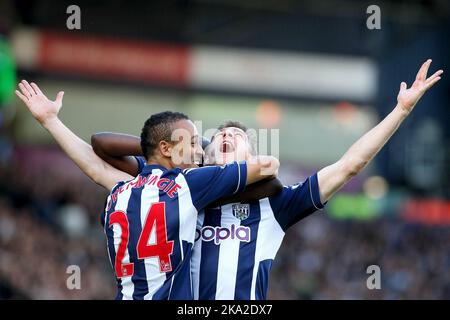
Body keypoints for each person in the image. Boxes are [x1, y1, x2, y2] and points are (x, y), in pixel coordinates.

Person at [90, 59, 443, 299]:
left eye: (237, 137)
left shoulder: (277, 205)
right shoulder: (180, 191)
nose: (226, 137)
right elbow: (99, 162)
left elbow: (349, 165)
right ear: (205, 158)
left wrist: (400, 110)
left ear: (250, 158)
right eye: (218, 137)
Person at [15, 81, 280, 300]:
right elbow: (269, 169)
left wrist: (51, 122)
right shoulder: (186, 185)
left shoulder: (124, 189)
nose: (199, 151)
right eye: (194, 144)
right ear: (168, 149)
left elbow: (97, 168)